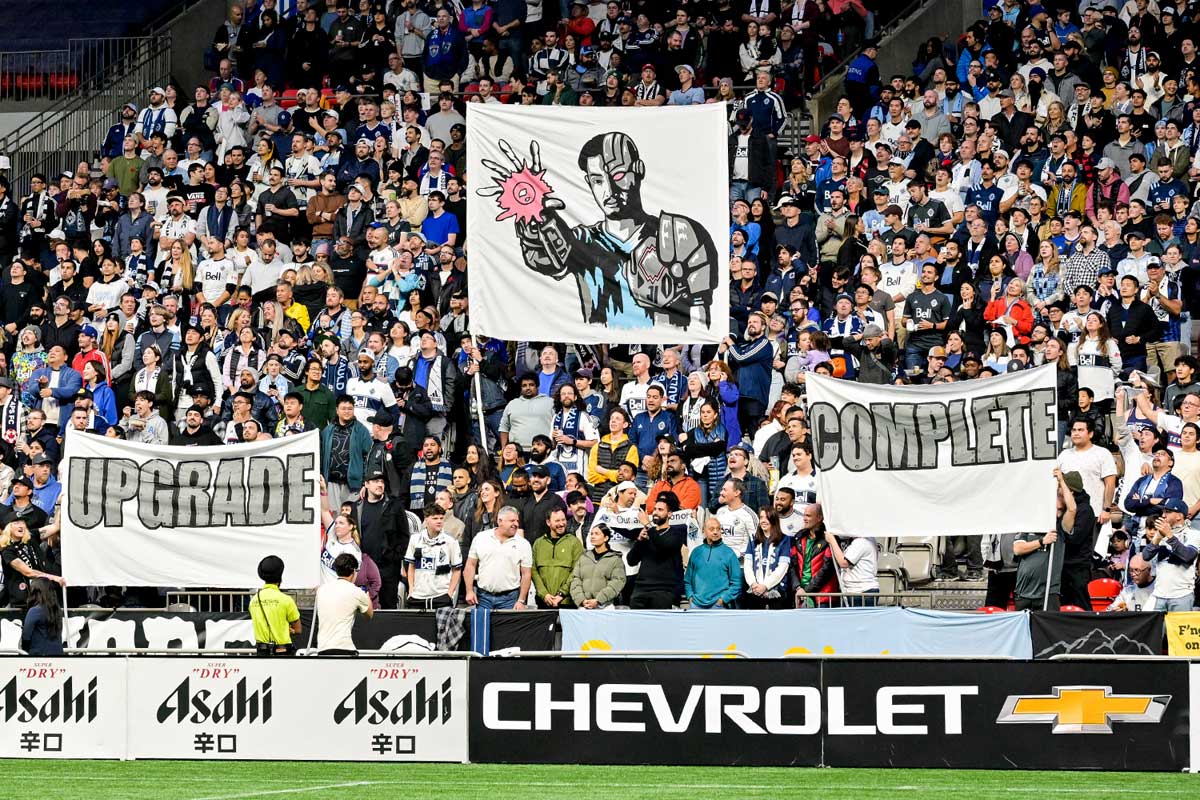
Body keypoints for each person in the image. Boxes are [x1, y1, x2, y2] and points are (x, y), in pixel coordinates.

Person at [463, 505, 532, 610]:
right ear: (500, 521)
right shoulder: (481, 538)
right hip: (482, 597)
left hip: (510, 599)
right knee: (481, 627)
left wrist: (521, 600)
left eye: (517, 521)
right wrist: (469, 591)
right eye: (512, 521)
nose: (516, 524)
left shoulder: (523, 544)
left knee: (506, 627)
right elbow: (470, 565)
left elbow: (526, 574)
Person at [626, 491, 686, 609]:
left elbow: (664, 546)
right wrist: (639, 541)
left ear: (669, 514)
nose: (655, 513)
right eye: (654, 509)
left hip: (663, 590)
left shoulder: (677, 532)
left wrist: (647, 525)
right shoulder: (648, 533)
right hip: (641, 589)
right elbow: (631, 561)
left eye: (660, 510)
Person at [1141, 498, 1199, 611]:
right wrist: (1157, 538)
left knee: (1177, 629)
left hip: (1182, 595)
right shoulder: (1161, 534)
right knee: (1155, 628)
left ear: (1179, 516)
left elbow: (1188, 556)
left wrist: (1169, 536)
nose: (1163, 515)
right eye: (1163, 512)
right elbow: (1145, 556)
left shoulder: (1194, 534)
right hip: (1158, 594)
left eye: (1167, 512)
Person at [404, 505, 463, 609]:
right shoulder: (415, 539)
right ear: (426, 520)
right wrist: (411, 589)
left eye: (441, 518)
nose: (439, 521)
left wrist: (449, 593)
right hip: (418, 596)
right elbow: (411, 566)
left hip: (441, 595)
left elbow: (457, 570)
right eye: (435, 518)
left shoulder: (451, 542)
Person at [313, 552, 373, 655]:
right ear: (354, 571)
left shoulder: (321, 590)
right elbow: (369, 615)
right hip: (346, 649)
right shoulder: (357, 592)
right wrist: (367, 597)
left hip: (323, 649)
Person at [684, 516, 742, 609]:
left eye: (718, 529)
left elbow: (737, 583)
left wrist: (722, 600)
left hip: (719, 606)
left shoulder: (729, 553)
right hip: (696, 605)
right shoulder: (696, 552)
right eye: (712, 529)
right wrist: (690, 597)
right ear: (704, 531)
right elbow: (687, 580)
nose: (715, 532)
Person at [531, 507, 584, 608]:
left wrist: (561, 594)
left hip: (567, 602)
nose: (561, 524)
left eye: (563, 520)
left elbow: (577, 571)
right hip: (543, 601)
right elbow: (533, 571)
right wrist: (544, 594)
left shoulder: (574, 543)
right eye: (557, 521)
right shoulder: (538, 543)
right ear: (548, 522)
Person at [249, 555, 301, 656]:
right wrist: (288, 630)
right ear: (280, 575)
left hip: (261, 653)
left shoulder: (254, 600)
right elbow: (298, 629)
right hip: (282, 652)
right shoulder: (286, 600)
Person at [742, 507, 793, 609]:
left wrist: (765, 586)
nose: (763, 521)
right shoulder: (753, 539)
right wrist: (753, 584)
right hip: (755, 591)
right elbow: (747, 565)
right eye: (761, 517)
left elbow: (783, 567)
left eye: (767, 517)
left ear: (773, 519)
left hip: (777, 591)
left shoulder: (784, 539)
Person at [569, 524, 626, 609]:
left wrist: (599, 600)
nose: (593, 536)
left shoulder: (615, 559)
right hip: (584, 607)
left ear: (606, 538)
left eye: (597, 534)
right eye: (591, 534)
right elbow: (575, 580)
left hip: (606, 607)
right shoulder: (583, 558)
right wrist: (581, 600)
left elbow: (618, 582)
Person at [825, 530, 879, 606]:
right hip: (855, 591)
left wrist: (832, 540)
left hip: (861, 592)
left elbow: (843, 563)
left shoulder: (861, 541)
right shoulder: (864, 539)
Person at [20, 577, 63, 656]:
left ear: (35, 591)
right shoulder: (58, 610)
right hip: (58, 652)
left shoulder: (34, 611)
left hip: (39, 655)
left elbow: (26, 637)